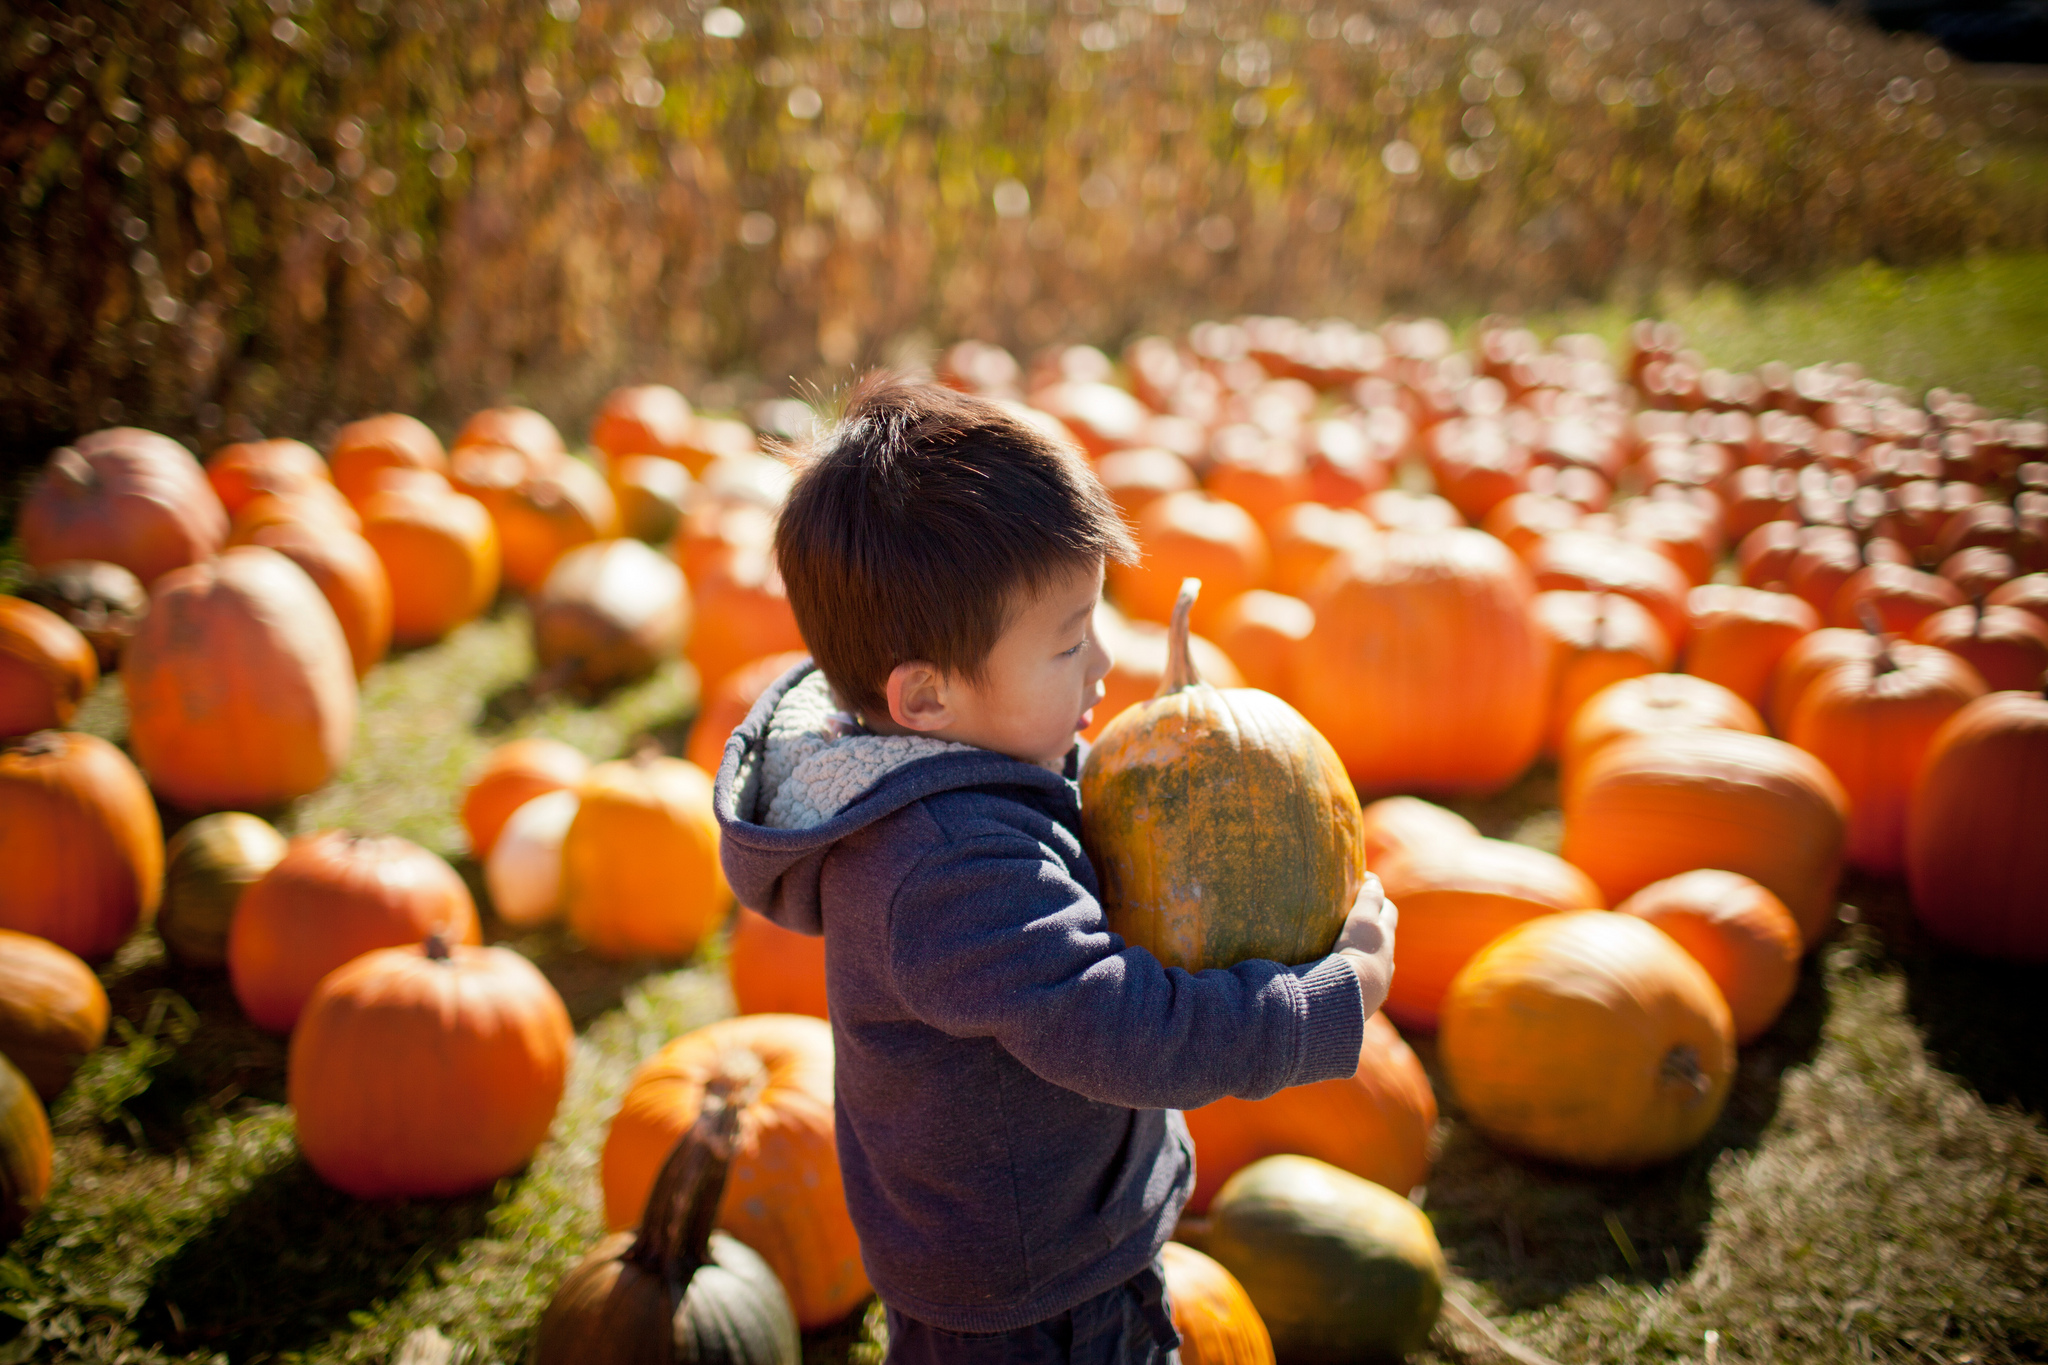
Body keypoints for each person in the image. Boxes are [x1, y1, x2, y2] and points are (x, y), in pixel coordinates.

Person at [713, 375, 1397, 1364]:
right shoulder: (949, 869)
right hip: (1032, 1298)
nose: (1103, 660)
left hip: (1026, 1254)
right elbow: (1116, 1027)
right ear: (925, 698)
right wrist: (1321, 1004)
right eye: (1070, 641)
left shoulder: (944, 783)